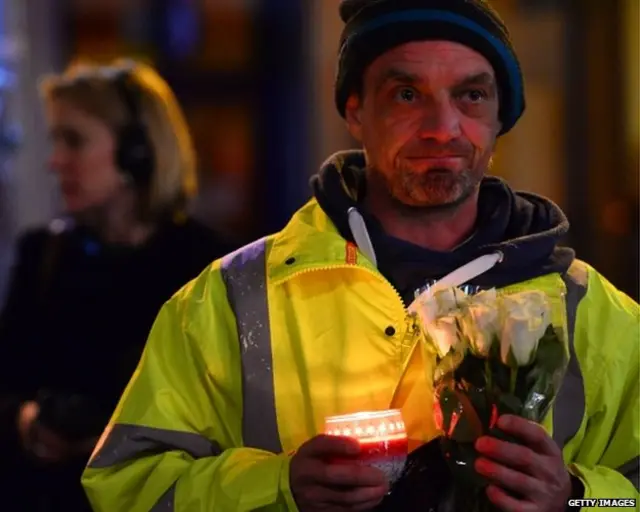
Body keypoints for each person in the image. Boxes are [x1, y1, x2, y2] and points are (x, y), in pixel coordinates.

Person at [81, 1, 639, 511]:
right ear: (355, 111)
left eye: (472, 95)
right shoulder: (229, 299)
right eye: (406, 94)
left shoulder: (594, 314)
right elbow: (127, 486)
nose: (443, 127)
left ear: (499, 118)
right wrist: (279, 487)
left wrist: (578, 498)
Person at [0, 59, 235, 511]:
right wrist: (28, 420)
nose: (55, 161)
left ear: (137, 153)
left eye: (74, 140)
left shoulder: (208, 267)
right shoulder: (42, 255)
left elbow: (228, 417)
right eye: (56, 140)